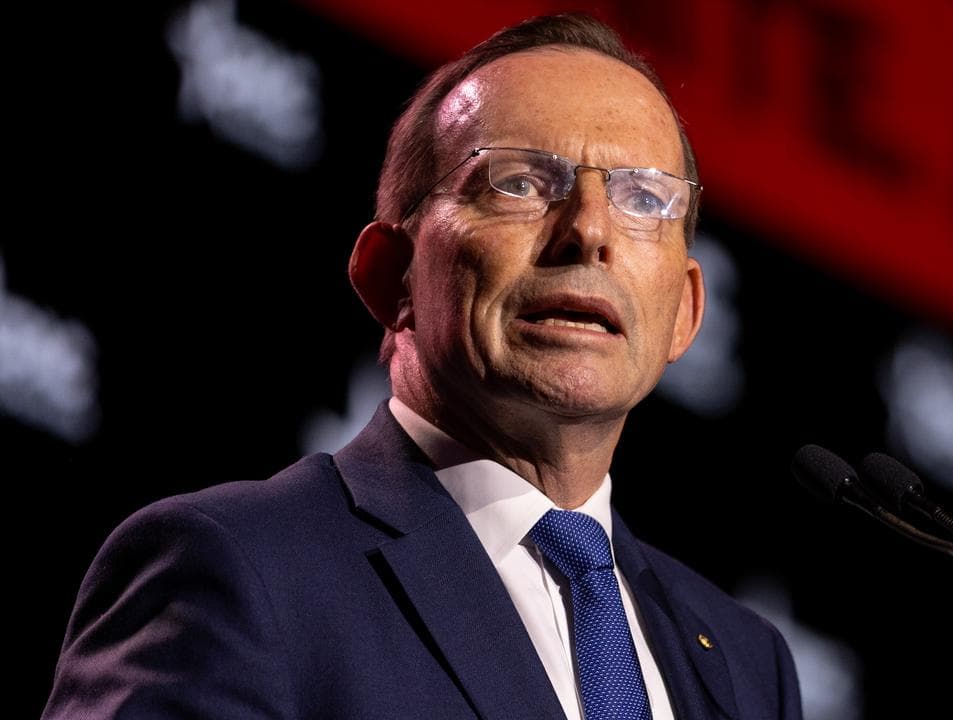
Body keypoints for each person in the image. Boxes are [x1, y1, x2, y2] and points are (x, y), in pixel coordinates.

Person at [43, 12, 802, 720]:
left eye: (643, 198)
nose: (590, 231)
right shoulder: (238, 569)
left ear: (685, 313)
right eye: (522, 183)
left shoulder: (743, 664)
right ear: (392, 274)